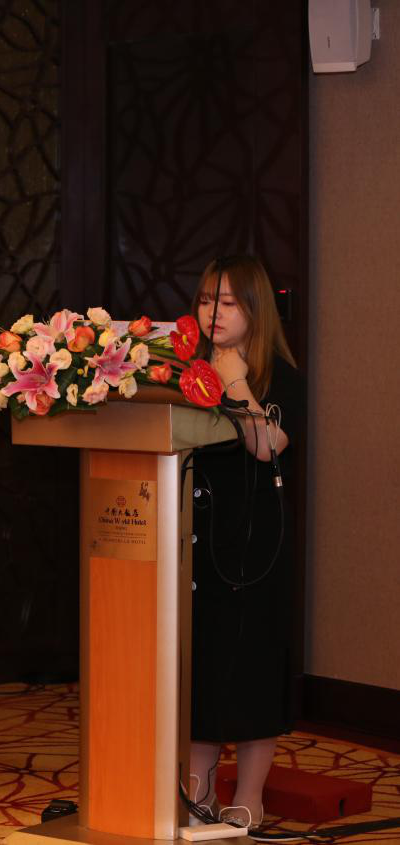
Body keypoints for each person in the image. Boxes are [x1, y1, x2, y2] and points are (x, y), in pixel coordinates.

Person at [186, 255, 302, 831]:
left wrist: (235, 383)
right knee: (199, 667)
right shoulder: (185, 369)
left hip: (256, 543)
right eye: (207, 300)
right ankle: (198, 791)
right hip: (194, 536)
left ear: (256, 310)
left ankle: (250, 797)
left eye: (228, 302)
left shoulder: (280, 376)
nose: (214, 313)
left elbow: (267, 446)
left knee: (253, 667)